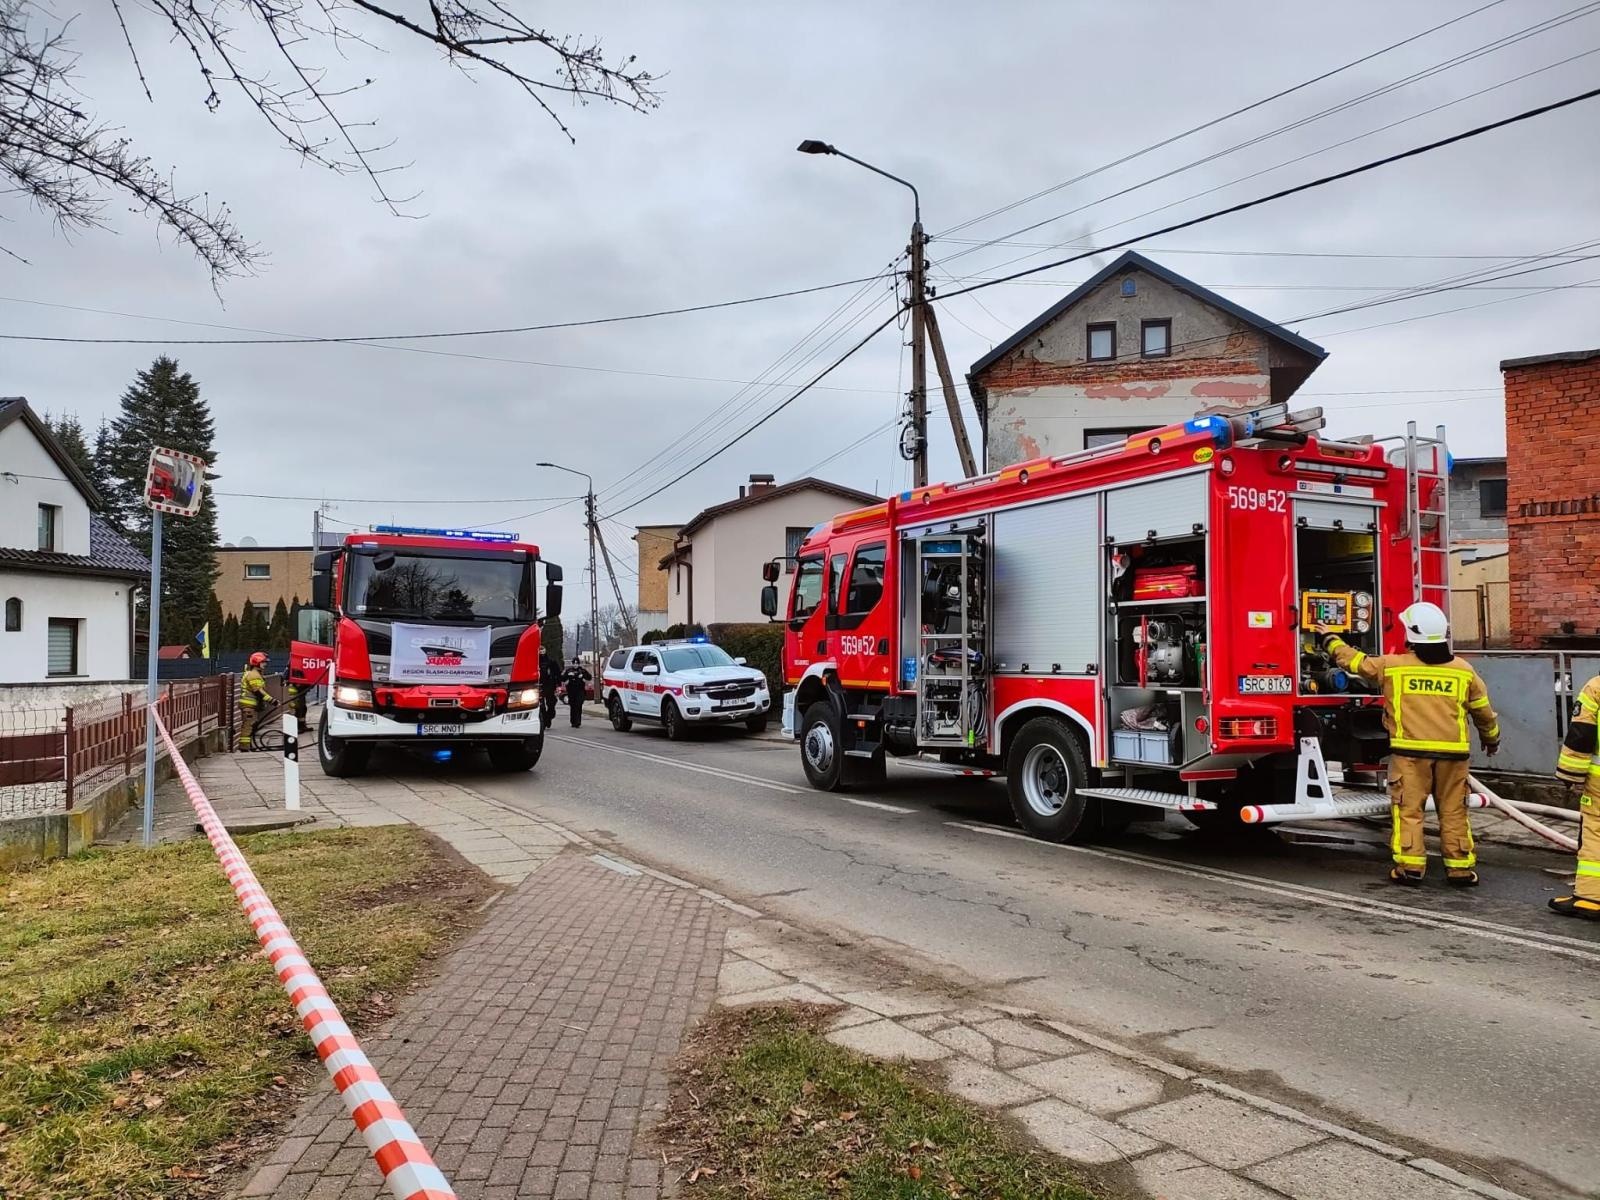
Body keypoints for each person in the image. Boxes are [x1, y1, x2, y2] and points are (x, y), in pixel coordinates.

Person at [1316, 601, 1499, 887]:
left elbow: (1355, 662)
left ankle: (1411, 868)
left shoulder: (1394, 666)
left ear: (1411, 635)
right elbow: (1484, 712)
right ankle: (1460, 869)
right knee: (1454, 812)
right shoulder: (1464, 671)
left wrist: (1329, 638)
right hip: (1454, 756)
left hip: (1410, 756)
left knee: (1408, 811)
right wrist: (1492, 740)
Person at [1550, 673, 1600, 920]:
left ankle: (1591, 898)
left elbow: (1581, 735)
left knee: (1595, 832)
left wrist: (1569, 776)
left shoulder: (1596, 687)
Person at [238, 651, 270, 749]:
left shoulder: (255, 673)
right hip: (249, 705)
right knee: (248, 726)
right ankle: (244, 747)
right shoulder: (254, 675)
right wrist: (272, 700)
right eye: (263, 662)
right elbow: (258, 691)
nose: (265, 664)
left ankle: (248, 746)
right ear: (257, 662)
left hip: (251, 705)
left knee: (251, 725)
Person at [559, 657, 593, 728]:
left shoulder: (582, 670)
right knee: (573, 706)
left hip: (580, 690)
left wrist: (583, 676)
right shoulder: (568, 671)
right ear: (572, 663)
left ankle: (578, 721)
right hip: (571, 691)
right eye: (574, 663)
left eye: (577, 663)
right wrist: (568, 676)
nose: (575, 665)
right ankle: (573, 721)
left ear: (578, 664)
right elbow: (562, 678)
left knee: (578, 705)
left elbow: (589, 677)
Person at [539, 647, 561, 729]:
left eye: (542, 650)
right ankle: (544, 721)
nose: (541, 651)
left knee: (551, 704)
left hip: (550, 685)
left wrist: (558, 683)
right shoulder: (535, 662)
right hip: (540, 685)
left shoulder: (551, 662)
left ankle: (549, 717)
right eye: (540, 650)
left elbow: (557, 673)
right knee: (541, 706)